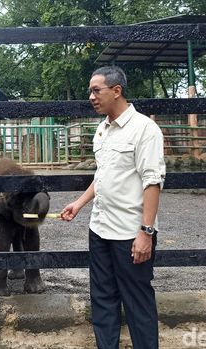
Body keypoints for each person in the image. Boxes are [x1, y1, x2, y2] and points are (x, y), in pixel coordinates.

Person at [60, 66, 166, 349]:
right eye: (90, 92)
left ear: (116, 91)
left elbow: (152, 182)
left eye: (97, 90)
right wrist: (80, 204)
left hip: (129, 234)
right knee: (103, 299)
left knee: (137, 301)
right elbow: (103, 176)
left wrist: (146, 232)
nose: (92, 97)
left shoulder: (144, 129)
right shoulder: (102, 130)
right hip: (100, 229)